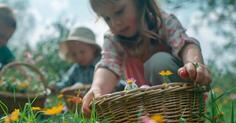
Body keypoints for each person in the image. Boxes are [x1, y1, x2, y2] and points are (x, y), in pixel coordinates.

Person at [82, 0, 212, 115]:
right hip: (144, 107)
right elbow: (108, 65)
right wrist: (97, 88)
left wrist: (194, 64)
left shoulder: (163, 22)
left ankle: (183, 119)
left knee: (158, 61)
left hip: (178, 101)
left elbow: (185, 44)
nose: (115, 23)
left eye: (119, 12)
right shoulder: (113, 39)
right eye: (107, 18)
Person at [50, 27, 102, 94]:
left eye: (82, 52)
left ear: (93, 49)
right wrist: (56, 87)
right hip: (80, 102)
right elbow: (66, 83)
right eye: (74, 54)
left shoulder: (101, 65)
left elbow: (110, 82)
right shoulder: (75, 69)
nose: (78, 57)